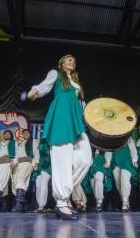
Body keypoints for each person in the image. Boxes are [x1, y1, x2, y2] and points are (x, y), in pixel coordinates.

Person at [27, 54, 92, 220]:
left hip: (76, 120)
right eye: (69, 60)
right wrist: (35, 91)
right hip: (61, 118)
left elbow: (80, 104)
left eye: (74, 61)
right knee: (61, 160)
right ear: (61, 64)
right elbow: (44, 86)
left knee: (86, 159)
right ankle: (62, 203)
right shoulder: (56, 74)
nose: (73, 62)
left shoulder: (76, 83)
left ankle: (64, 193)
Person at [0, 130, 17, 213]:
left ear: (11, 136)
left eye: (9, 133)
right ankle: (4, 205)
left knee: (3, 182)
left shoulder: (13, 142)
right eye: (5, 133)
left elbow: (17, 153)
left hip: (7, 163)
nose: (7, 134)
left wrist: (14, 162)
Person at [11, 129, 39, 212]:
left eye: (27, 133)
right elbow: (17, 155)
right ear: (22, 135)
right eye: (24, 133)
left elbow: (36, 152)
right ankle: (25, 204)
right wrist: (14, 163)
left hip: (27, 162)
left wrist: (36, 163)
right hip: (19, 163)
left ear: (30, 135)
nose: (26, 134)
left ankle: (19, 204)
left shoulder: (33, 141)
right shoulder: (20, 144)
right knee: (15, 183)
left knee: (21, 180)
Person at [109, 137, 139, 212]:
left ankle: (125, 202)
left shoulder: (128, 138)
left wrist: (134, 160)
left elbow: (133, 149)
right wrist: (108, 161)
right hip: (116, 161)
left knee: (124, 180)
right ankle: (125, 200)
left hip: (126, 161)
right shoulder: (112, 138)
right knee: (118, 183)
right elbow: (108, 150)